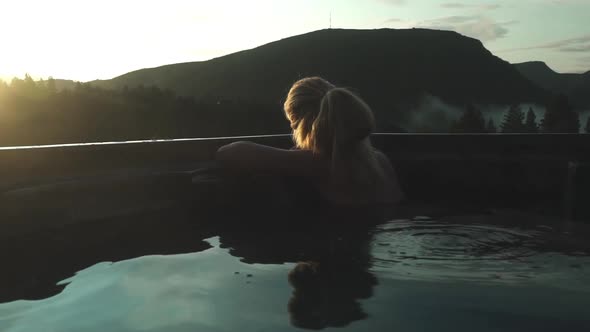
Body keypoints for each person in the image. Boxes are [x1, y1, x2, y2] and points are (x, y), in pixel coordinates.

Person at [216, 77, 402, 207]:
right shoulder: (380, 160)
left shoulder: (316, 163)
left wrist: (293, 155)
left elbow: (229, 153)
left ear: (300, 124)